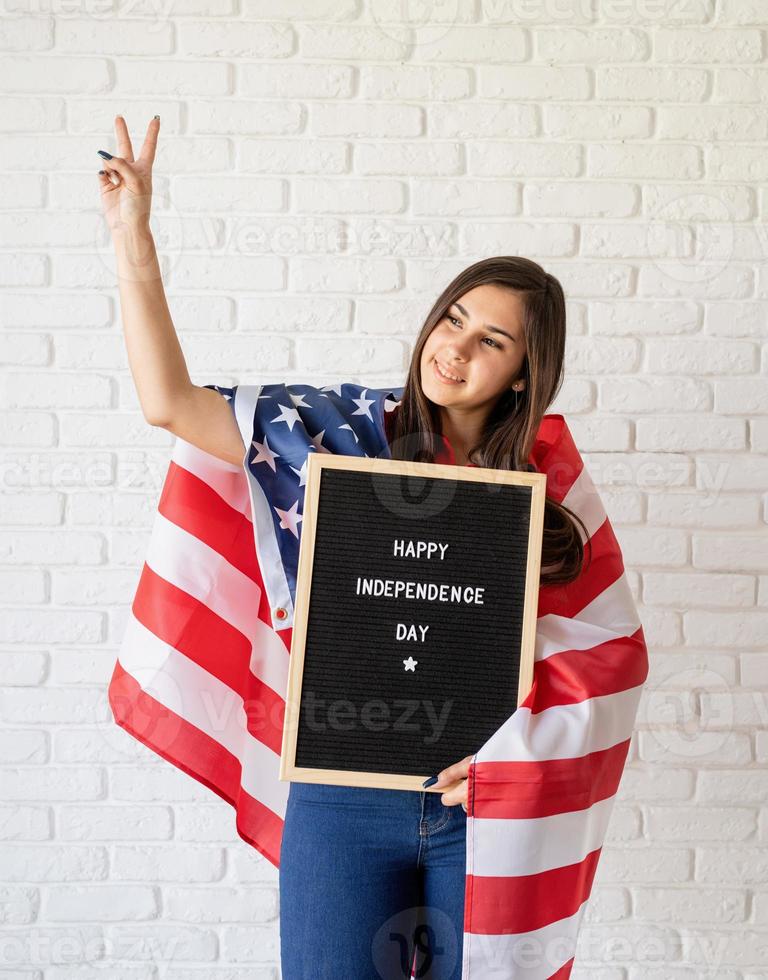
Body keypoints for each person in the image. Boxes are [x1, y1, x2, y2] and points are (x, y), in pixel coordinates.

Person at [99, 116, 607, 980]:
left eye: (492, 339)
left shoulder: (550, 487)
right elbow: (169, 403)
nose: (456, 346)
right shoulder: (338, 434)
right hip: (343, 796)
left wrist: (510, 763)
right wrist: (133, 239)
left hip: (481, 805)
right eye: (453, 319)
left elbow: (603, 663)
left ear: (525, 371)